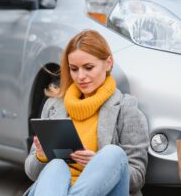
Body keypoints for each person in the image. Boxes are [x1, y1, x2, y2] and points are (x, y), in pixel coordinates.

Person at [24, 30, 149, 196]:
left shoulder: (126, 108)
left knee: (113, 154)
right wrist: (40, 156)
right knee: (56, 166)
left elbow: (137, 178)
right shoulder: (54, 106)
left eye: (88, 68)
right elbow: (32, 173)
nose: (81, 76)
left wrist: (99, 164)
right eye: (74, 69)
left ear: (108, 63)